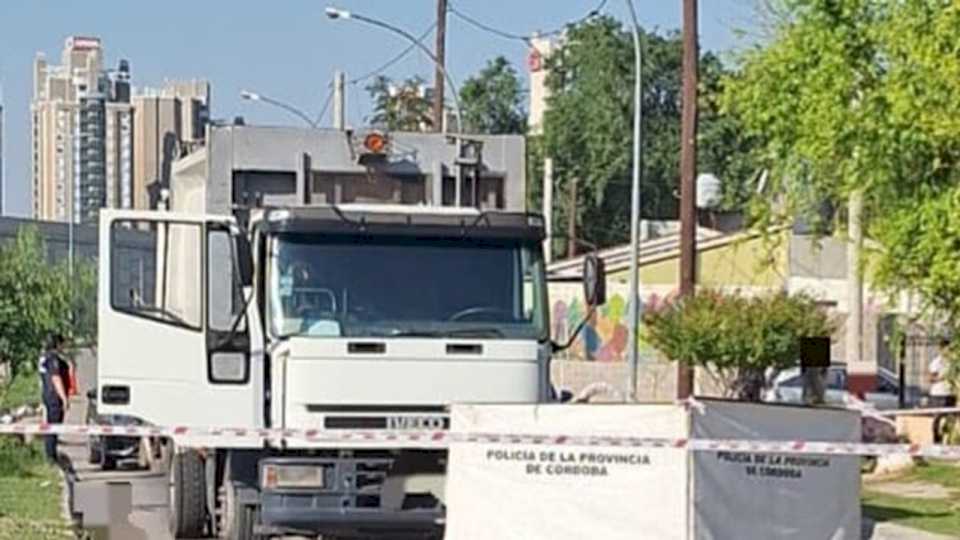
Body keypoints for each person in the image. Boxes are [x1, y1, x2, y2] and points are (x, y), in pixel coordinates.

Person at [38, 333, 70, 462]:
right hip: (54, 398)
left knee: (51, 427)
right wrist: (64, 398)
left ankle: (51, 454)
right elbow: (56, 378)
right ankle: (51, 456)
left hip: (47, 395)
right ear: (57, 344)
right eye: (63, 344)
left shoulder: (44, 358)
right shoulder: (53, 359)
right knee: (53, 427)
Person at [929, 338, 956, 408]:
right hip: (939, 394)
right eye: (947, 348)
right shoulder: (936, 362)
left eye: (950, 349)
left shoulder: (952, 362)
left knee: (950, 417)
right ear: (941, 349)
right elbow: (931, 379)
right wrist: (943, 377)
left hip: (950, 394)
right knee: (938, 417)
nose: (949, 351)